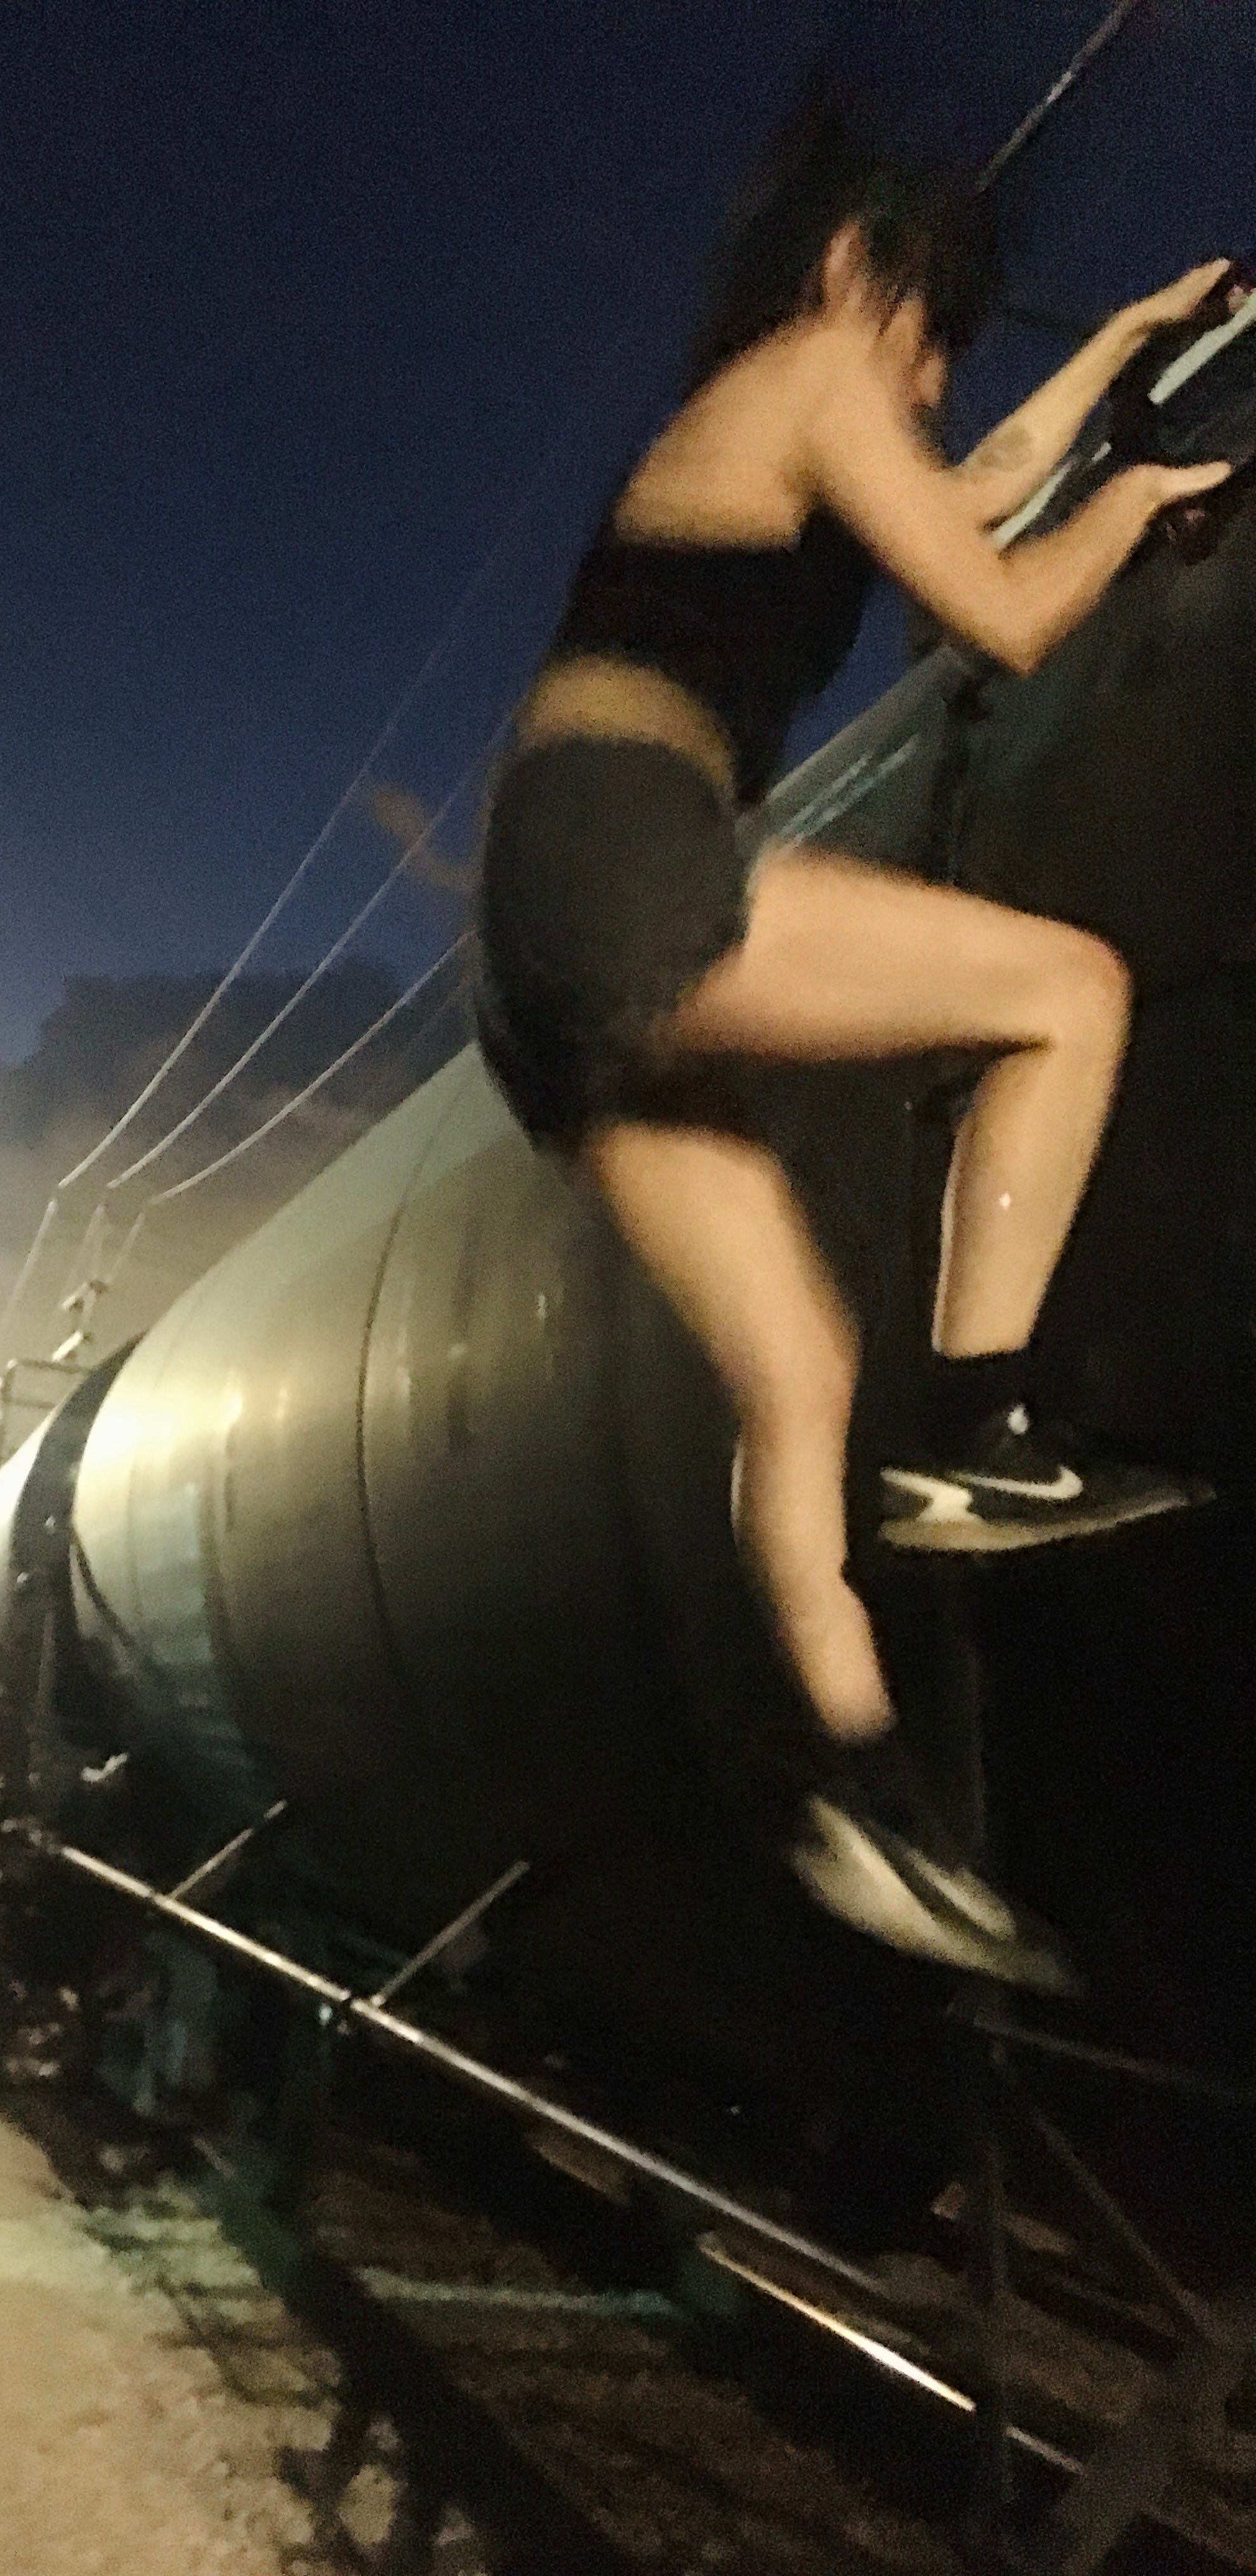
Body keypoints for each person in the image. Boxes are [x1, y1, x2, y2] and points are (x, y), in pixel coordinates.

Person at [473, 100, 1231, 1986]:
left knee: (801, 1373)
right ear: (847, 273)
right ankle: (986, 1431)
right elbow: (1008, 615)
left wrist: (1121, 349)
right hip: (628, 852)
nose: (938, 378)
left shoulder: (776, 427)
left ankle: (849, 1774)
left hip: (542, 943)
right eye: (930, 330)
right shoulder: (815, 365)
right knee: (1069, 991)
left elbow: (970, 494)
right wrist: (1141, 503)